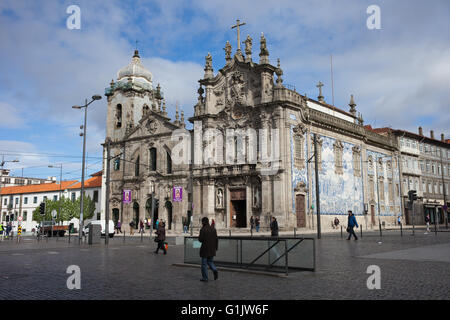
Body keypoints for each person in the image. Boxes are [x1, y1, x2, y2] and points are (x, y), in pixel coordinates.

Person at [198, 217, 218, 282]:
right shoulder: (213, 229)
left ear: (204, 222)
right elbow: (216, 239)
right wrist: (216, 248)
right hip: (212, 249)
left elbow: (200, 240)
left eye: (202, 222)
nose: (201, 223)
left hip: (205, 249)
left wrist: (199, 236)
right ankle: (214, 269)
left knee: (204, 264)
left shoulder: (203, 229)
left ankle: (205, 278)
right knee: (210, 262)